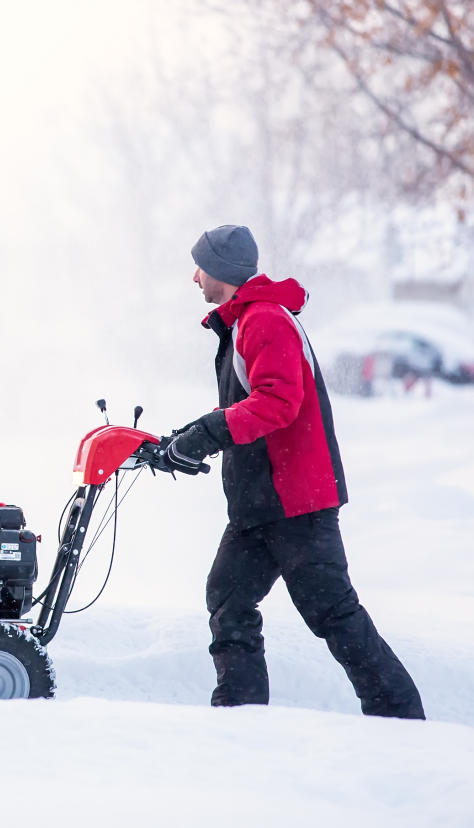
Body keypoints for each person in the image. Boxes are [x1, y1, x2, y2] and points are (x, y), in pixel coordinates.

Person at [159, 224, 425, 719]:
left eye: (200, 265)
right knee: (229, 598)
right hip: (262, 502)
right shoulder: (246, 321)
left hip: (295, 501)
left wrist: (207, 434)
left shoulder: (264, 320)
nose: (194, 277)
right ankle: (240, 717)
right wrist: (186, 440)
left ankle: (400, 718)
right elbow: (249, 405)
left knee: (333, 613)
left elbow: (278, 403)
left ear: (222, 270)